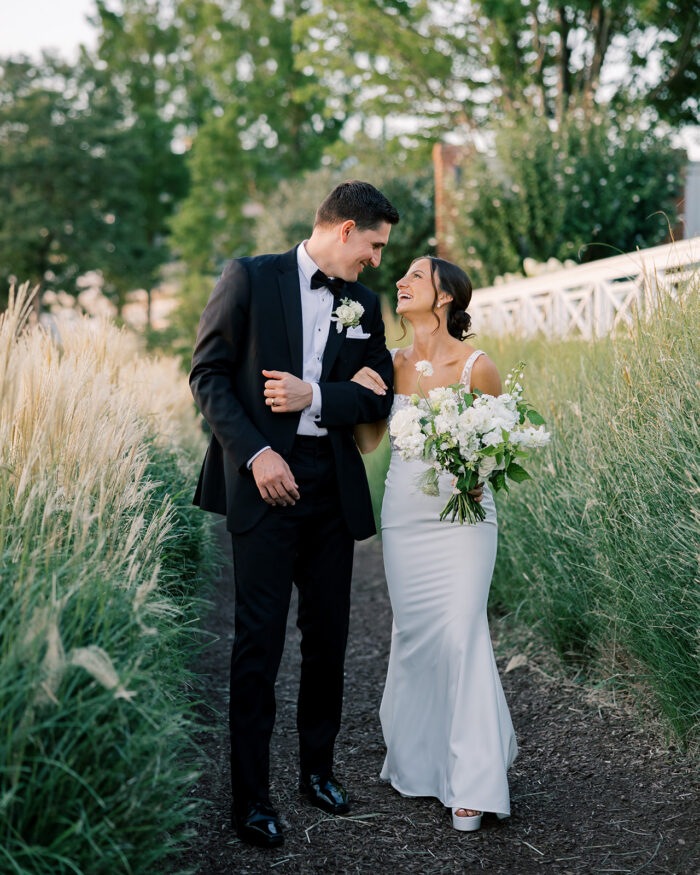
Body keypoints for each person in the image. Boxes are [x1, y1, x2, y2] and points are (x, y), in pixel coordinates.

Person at [189, 181, 398, 848]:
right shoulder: (249, 278)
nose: (376, 261)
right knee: (258, 645)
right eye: (373, 245)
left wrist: (316, 396)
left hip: (330, 489)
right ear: (344, 231)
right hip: (262, 482)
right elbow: (209, 376)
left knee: (329, 636)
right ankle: (250, 798)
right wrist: (254, 454)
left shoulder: (364, 305)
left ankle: (318, 768)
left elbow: (378, 397)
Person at [352, 256, 518, 832]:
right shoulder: (388, 363)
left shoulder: (478, 367)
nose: (400, 283)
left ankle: (473, 780)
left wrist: (473, 466)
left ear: (444, 297)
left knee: (462, 630)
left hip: (466, 517)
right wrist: (358, 395)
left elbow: (500, 450)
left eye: (415, 278)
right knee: (417, 634)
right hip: (405, 515)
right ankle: (421, 765)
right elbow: (372, 442)